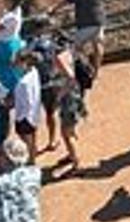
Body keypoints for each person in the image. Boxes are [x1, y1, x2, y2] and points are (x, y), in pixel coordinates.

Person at [59, 0, 107, 78]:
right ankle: (96, 71)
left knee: (74, 46)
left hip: (85, 23)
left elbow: (66, 1)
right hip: (100, 21)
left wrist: (53, 10)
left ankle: (85, 68)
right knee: (98, 46)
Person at [30, 20, 67, 151]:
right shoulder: (50, 43)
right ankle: (51, 140)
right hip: (48, 83)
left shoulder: (32, 44)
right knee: (48, 113)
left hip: (40, 83)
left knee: (40, 114)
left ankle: (37, 144)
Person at [55, 50, 90, 173]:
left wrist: (60, 95)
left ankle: (76, 164)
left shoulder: (58, 57)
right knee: (70, 130)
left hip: (68, 99)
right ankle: (71, 155)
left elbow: (70, 77)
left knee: (66, 134)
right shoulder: (69, 52)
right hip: (75, 95)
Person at [10, 49, 44, 161]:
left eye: (17, 63)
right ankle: (33, 158)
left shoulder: (23, 83)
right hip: (34, 113)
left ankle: (31, 162)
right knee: (33, 139)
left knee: (26, 142)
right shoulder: (34, 71)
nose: (16, 66)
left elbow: (26, 102)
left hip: (25, 117)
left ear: (24, 63)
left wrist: (21, 118)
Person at [0, 8, 26, 91]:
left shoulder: (13, 17)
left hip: (5, 46)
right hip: (6, 43)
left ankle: (12, 90)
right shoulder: (14, 11)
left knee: (7, 70)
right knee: (3, 67)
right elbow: (2, 21)